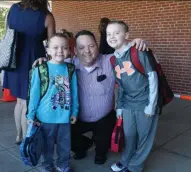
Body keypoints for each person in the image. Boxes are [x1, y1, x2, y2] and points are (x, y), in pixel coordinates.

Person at [33, 30, 148, 165]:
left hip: (104, 118)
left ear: (97, 46)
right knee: (60, 133)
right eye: (81, 47)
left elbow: (133, 57)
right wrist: (44, 60)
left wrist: (137, 44)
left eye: (91, 46)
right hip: (77, 118)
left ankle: (101, 148)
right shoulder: (67, 66)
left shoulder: (110, 61)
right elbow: (53, 63)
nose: (87, 51)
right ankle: (82, 146)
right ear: (75, 50)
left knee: (100, 155)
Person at [106, 21, 159, 172]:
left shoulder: (138, 51)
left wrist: (152, 105)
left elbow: (152, 77)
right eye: (109, 34)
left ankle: (136, 165)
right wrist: (119, 106)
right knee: (129, 134)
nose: (112, 37)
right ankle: (126, 159)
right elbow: (120, 85)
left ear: (127, 35)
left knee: (144, 136)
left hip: (145, 102)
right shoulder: (113, 60)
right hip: (128, 103)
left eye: (117, 32)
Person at [3, 0, 56, 144]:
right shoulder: (46, 16)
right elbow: (53, 45)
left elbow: (9, 31)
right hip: (34, 59)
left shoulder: (14, 9)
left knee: (19, 102)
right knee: (28, 102)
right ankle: (27, 140)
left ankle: (18, 135)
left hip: (13, 58)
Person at [27, 33, 78, 172]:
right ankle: (46, 167)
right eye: (55, 47)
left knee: (65, 144)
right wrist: (31, 115)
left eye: (64, 47)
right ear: (48, 50)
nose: (60, 51)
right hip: (45, 117)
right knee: (46, 146)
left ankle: (63, 164)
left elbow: (74, 93)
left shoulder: (70, 69)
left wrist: (75, 111)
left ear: (69, 50)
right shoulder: (40, 69)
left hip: (64, 116)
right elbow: (34, 94)